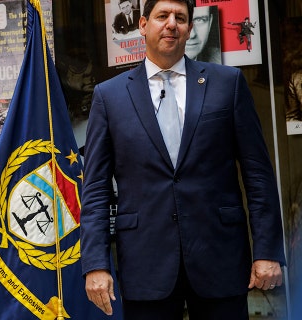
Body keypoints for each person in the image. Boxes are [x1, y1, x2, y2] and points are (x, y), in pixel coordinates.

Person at [80, 0, 285, 319]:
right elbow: (94, 190)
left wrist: (268, 252)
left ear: (190, 28)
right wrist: (95, 263)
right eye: (162, 16)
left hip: (220, 257)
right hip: (145, 263)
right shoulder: (110, 96)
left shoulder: (227, 84)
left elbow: (257, 175)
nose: (171, 24)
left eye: (181, 18)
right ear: (143, 25)